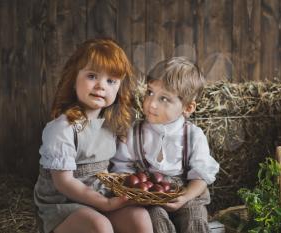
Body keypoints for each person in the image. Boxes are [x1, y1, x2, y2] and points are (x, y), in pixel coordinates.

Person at [34, 38, 153, 233]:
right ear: (73, 79)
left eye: (111, 81)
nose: (101, 86)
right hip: (63, 205)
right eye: (92, 76)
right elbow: (64, 182)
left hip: (99, 196)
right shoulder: (62, 128)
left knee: (139, 217)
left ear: (118, 88)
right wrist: (105, 204)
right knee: (100, 226)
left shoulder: (110, 125)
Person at [110, 57, 219, 233]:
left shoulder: (193, 136)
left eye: (164, 99)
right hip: (148, 197)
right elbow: (122, 168)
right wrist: (138, 192)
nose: (151, 104)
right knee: (155, 219)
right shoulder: (133, 133)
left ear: (188, 108)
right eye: (150, 92)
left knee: (195, 218)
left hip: (185, 193)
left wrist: (184, 197)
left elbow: (201, 176)